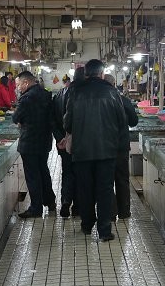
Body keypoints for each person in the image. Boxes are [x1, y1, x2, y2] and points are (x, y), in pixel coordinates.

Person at [64, 59, 129, 241]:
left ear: (86, 73)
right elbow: (122, 121)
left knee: (84, 189)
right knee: (105, 189)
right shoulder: (112, 92)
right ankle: (104, 231)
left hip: (82, 151)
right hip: (106, 151)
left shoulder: (75, 91)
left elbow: (67, 123)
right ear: (102, 73)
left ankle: (86, 225)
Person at [13, 71, 56, 218]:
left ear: (26, 83)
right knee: (43, 171)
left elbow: (15, 117)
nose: (18, 88)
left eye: (18, 84)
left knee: (32, 176)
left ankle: (36, 208)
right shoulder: (46, 94)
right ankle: (50, 202)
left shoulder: (26, 98)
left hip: (29, 142)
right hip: (44, 140)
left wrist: (20, 121)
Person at [105, 73, 138, 220]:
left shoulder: (100, 101)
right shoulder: (123, 100)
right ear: (114, 84)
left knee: (107, 180)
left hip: (105, 147)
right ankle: (124, 212)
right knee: (122, 179)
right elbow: (133, 121)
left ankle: (111, 213)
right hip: (122, 146)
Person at [52, 68, 84, 218]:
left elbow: (52, 119)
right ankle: (77, 206)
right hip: (78, 142)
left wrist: (59, 138)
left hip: (62, 142)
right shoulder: (81, 94)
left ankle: (66, 200)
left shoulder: (59, 94)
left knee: (67, 172)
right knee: (80, 173)